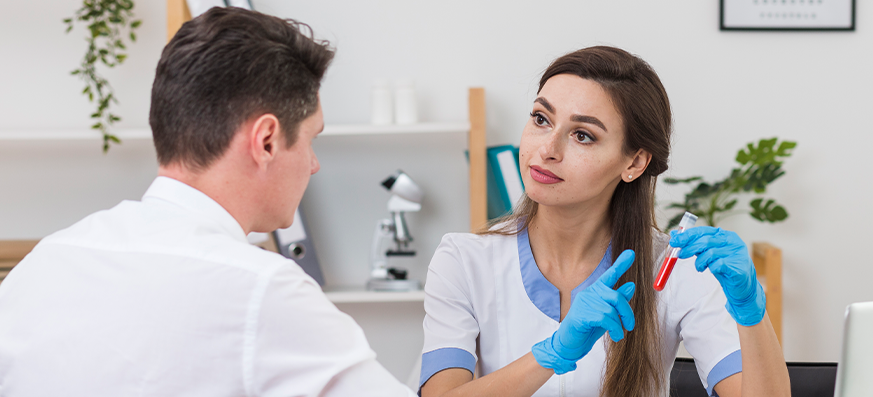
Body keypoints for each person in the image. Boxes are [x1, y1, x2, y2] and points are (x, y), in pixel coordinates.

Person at [0, 7, 415, 397]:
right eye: (311, 139)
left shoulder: (43, 264)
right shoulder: (265, 291)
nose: (313, 164)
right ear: (266, 140)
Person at [418, 46, 790, 397]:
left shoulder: (675, 268)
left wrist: (751, 312)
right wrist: (551, 355)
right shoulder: (463, 260)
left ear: (634, 163)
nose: (547, 149)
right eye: (541, 119)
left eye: (583, 135)